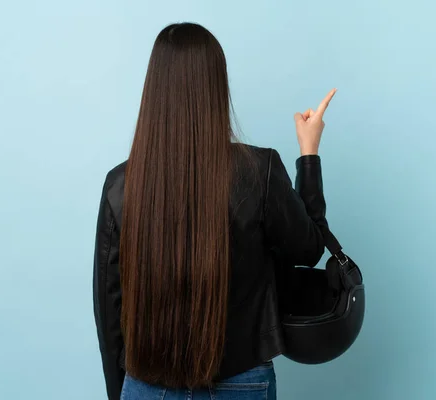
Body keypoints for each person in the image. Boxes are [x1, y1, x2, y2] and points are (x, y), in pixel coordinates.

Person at [92, 22, 336, 400]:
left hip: (145, 385)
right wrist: (309, 155)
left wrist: (121, 391)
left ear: (153, 90)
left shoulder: (121, 185)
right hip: (243, 381)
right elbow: (309, 249)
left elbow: (110, 308)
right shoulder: (260, 171)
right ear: (217, 88)